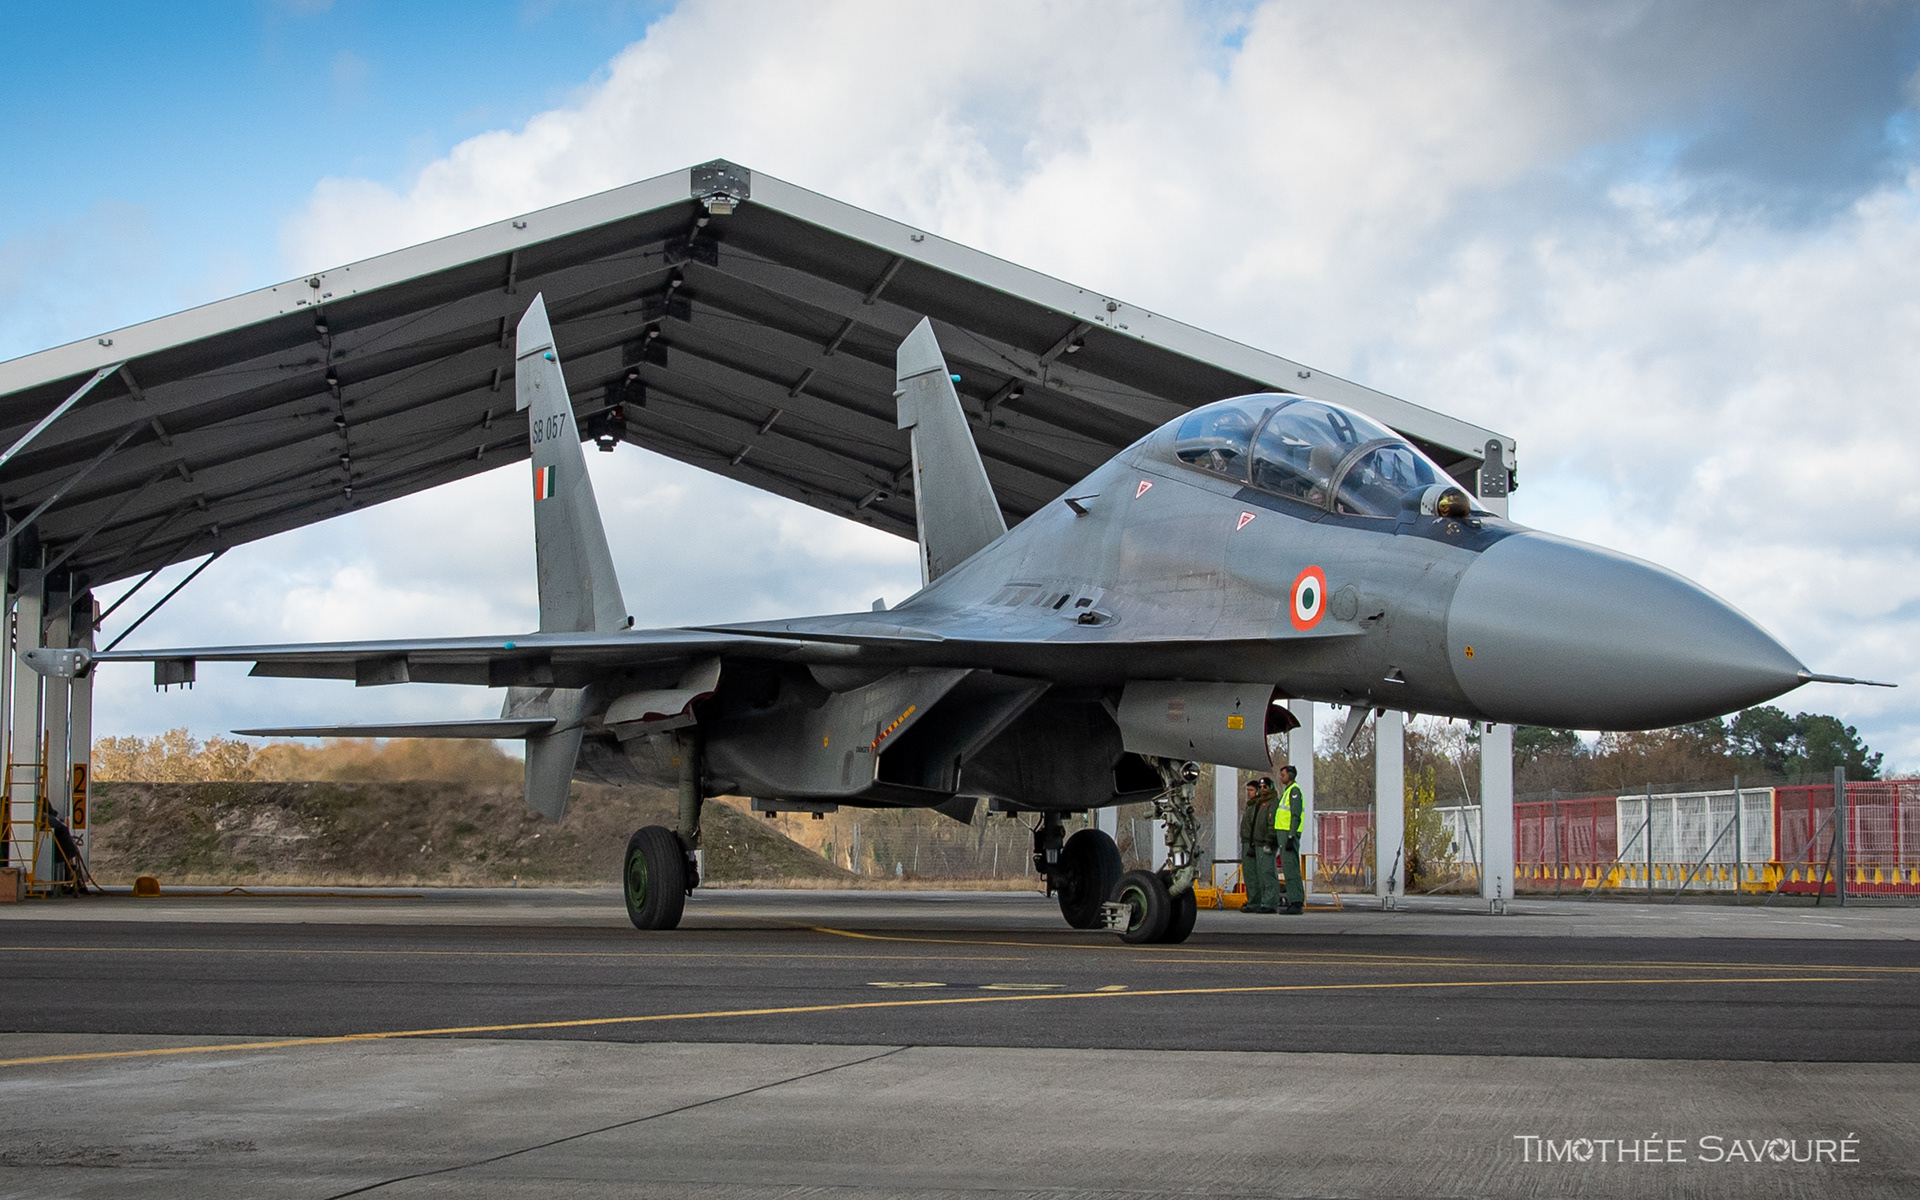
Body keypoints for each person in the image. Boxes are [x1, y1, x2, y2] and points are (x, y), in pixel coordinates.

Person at [1238, 776, 1280, 913]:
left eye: (1264, 787)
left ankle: (1269, 902)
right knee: (1252, 874)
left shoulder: (1270, 803)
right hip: (1253, 842)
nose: (1262, 790)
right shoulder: (1256, 805)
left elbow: (1270, 823)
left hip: (1263, 842)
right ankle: (1255, 901)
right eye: (1260, 787)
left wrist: (1269, 841)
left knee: (1266, 873)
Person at [1274, 764, 1307, 914]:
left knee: (1291, 869)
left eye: (1283, 775)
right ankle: (1294, 900)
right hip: (1284, 834)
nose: (1281, 778)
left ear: (1291, 776)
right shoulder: (1288, 791)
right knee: (1288, 869)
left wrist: (1290, 836)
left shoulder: (1294, 791)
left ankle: (1296, 901)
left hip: (1289, 835)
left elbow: (1295, 815)